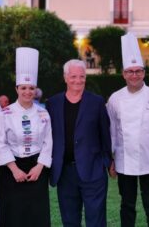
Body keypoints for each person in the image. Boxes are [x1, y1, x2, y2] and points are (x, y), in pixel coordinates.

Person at [107, 33, 149, 227]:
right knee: (127, 205)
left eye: (138, 71)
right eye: (130, 71)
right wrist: (111, 159)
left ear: (144, 73)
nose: (134, 75)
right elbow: (112, 131)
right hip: (124, 160)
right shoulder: (115, 99)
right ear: (124, 74)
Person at [46, 59, 112, 227]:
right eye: (73, 76)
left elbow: (106, 134)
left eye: (81, 76)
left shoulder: (96, 102)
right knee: (69, 221)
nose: (78, 80)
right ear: (65, 77)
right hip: (65, 172)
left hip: (93, 171)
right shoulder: (52, 103)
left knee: (96, 220)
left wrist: (106, 161)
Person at [0, 47, 53, 227]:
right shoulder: (5, 113)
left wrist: (39, 167)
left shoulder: (43, 113)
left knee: (36, 215)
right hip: (11, 171)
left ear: (35, 90)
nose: (28, 92)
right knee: (13, 215)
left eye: (31, 88)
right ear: (16, 89)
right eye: (23, 88)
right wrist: (14, 169)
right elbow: (0, 143)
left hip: (36, 170)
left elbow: (48, 142)